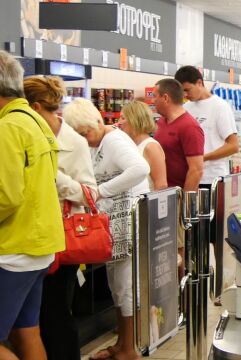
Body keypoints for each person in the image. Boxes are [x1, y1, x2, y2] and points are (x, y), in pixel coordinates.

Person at [63, 98, 150, 360]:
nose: (84, 139)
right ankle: (123, 344)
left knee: (124, 284)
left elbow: (140, 169)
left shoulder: (114, 140)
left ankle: (128, 348)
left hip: (128, 222)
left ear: (97, 122)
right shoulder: (99, 141)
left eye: (85, 133)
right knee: (117, 284)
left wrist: (101, 192)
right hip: (113, 223)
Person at [23, 75, 98, 360]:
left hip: (62, 239)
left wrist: (53, 176)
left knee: (56, 313)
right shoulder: (23, 135)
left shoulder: (75, 142)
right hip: (29, 237)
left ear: (37, 106)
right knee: (32, 319)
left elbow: (89, 193)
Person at [0, 50, 64, 360]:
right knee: (27, 333)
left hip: (12, 249)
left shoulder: (8, 127)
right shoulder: (35, 122)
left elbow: (5, 196)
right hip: (38, 246)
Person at [152, 78, 204, 276]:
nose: (153, 101)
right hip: (162, 195)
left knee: (178, 250)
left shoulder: (189, 127)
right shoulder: (162, 123)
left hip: (177, 199)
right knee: (164, 249)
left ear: (165, 97)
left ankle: (180, 299)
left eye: (155, 97)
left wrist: (185, 204)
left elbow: (196, 169)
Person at [174, 65, 238, 187]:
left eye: (187, 90)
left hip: (213, 179)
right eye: (182, 91)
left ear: (199, 83)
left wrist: (202, 158)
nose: (185, 95)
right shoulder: (185, 108)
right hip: (190, 177)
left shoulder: (220, 106)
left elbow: (233, 146)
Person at [119, 100, 168, 191]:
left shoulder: (151, 147)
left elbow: (161, 185)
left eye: (123, 118)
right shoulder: (128, 144)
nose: (119, 122)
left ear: (135, 119)